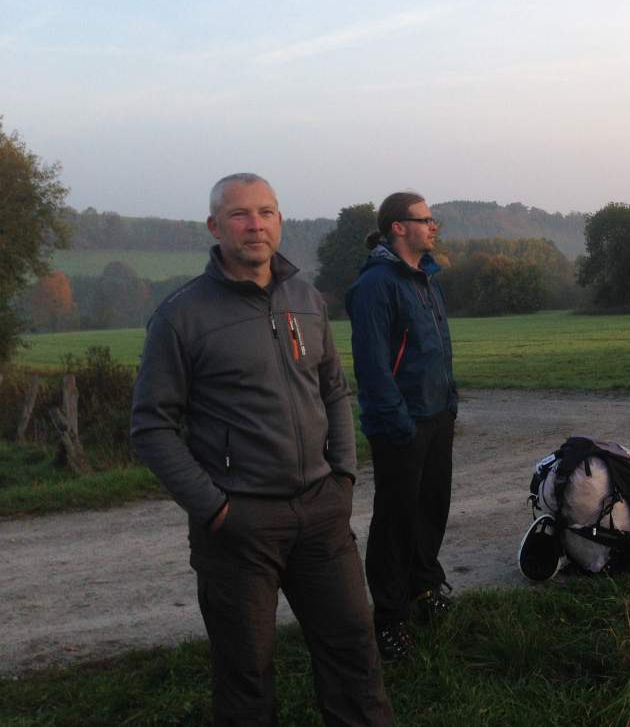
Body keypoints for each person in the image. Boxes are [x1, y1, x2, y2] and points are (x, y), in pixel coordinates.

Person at [130, 174, 392, 726]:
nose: (255, 225)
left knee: (354, 655)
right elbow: (151, 426)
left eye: (266, 212)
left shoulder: (307, 299)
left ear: (280, 220)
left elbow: (334, 390)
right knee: (245, 676)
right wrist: (215, 509)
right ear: (214, 226)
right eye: (240, 214)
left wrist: (343, 475)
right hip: (238, 527)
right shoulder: (181, 316)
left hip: (321, 514)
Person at [345, 191, 457, 662]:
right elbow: (372, 366)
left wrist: (449, 404)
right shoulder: (376, 285)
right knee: (396, 521)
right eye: (425, 219)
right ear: (398, 227)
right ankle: (390, 620)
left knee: (431, 509)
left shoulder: (425, 278)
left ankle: (424, 589)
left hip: (437, 415)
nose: (433, 226)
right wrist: (399, 423)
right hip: (401, 424)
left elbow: (438, 349)